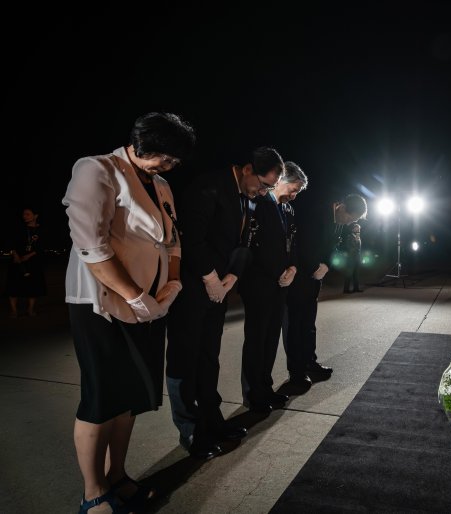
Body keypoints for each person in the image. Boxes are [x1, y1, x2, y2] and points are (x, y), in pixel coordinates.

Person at [62, 112, 196, 513]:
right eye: (165, 158)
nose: (169, 167)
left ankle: (117, 475)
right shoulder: (97, 169)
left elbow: (172, 240)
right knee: (102, 397)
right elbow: (92, 245)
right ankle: (92, 492)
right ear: (141, 147)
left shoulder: (161, 185)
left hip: (149, 307)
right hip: (101, 304)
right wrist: (135, 296)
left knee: (131, 396)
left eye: (174, 162)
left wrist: (169, 287)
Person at [166, 146, 284, 460]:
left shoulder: (248, 198)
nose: (264, 191)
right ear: (247, 168)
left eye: (269, 188)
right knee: (185, 359)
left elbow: (244, 242)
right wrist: (210, 278)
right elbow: (192, 237)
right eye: (263, 183)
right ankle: (191, 431)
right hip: (193, 287)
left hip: (218, 288)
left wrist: (232, 275)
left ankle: (212, 421)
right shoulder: (210, 185)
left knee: (209, 358)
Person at [239, 162, 308, 411]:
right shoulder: (258, 204)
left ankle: (265, 389)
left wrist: (293, 268)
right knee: (256, 340)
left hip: (281, 285)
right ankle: (253, 394)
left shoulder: (287, 210)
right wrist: (277, 272)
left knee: (270, 341)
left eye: (298, 191)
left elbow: (293, 244)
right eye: (293, 188)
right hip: (258, 283)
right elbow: (251, 247)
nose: (294, 195)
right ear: (279, 180)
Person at [284, 194, 368, 391]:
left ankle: (310, 363)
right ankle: (296, 372)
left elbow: (333, 247)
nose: (349, 222)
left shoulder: (338, 220)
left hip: (315, 278)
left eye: (353, 221)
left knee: (309, 324)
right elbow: (302, 244)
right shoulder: (316, 212)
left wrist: (326, 266)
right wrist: (315, 266)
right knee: (295, 326)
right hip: (300, 277)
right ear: (342, 207)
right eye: (350, 218)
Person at [5, 207, 47, 317]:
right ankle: (14, 310)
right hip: (17, 260)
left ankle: (30, 309)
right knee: (13, 285)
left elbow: (41, 247)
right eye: (24, 214)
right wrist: (15, 255)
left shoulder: (41, 230)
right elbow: (11, 242)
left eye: (28, 214)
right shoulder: (19, 228)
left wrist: (28, 256)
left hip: (33, 262)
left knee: (33, 286)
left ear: (35, 216)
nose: (24, 216)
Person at [342, 222, 362, 294]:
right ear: (353, 229)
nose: (358, 229)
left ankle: (356, 288)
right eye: (357, 228)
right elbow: (349, 247)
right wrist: (355, 249)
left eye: (359, 228)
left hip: (356, 258)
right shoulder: (350, 236)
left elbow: (359, 248)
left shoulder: (358, 237)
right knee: (349, 274)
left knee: (356, 274)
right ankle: (346, 289)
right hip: (351, 258)